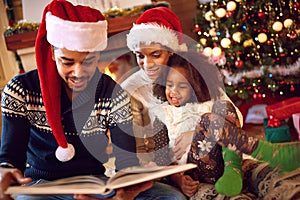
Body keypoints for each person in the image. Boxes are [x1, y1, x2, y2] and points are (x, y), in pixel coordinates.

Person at [0, 1, 186, 199]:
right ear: (53, 54)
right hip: (40, 187)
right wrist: (5, 171)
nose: (78, 73)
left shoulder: (112, 92)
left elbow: (126, 163)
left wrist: (124, 192)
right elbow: (10, 158)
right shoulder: (20, 89)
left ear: (98, 54)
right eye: (67, 61)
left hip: (95, 182)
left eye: (88, 61)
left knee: (171, 197)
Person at [121, 6, 244, 166]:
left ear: (172, 51)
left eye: (156, 55)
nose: (147, 64)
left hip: (220, 153)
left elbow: (235, 118)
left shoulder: (192, 74)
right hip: (172, 167)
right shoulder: (130, 89)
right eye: (140, 56)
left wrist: (198, 134)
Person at [149, 52, 243, 197]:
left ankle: (233, 171)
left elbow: (234, 124)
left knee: (223, 107)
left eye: (182, 87)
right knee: (208, 120)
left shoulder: (206, 105)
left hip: (222, 160)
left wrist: (195, 133)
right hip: (195, 170)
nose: (173, 91)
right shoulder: (162, 116)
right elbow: (161, 159)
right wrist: (179, 181)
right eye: (169, 85)